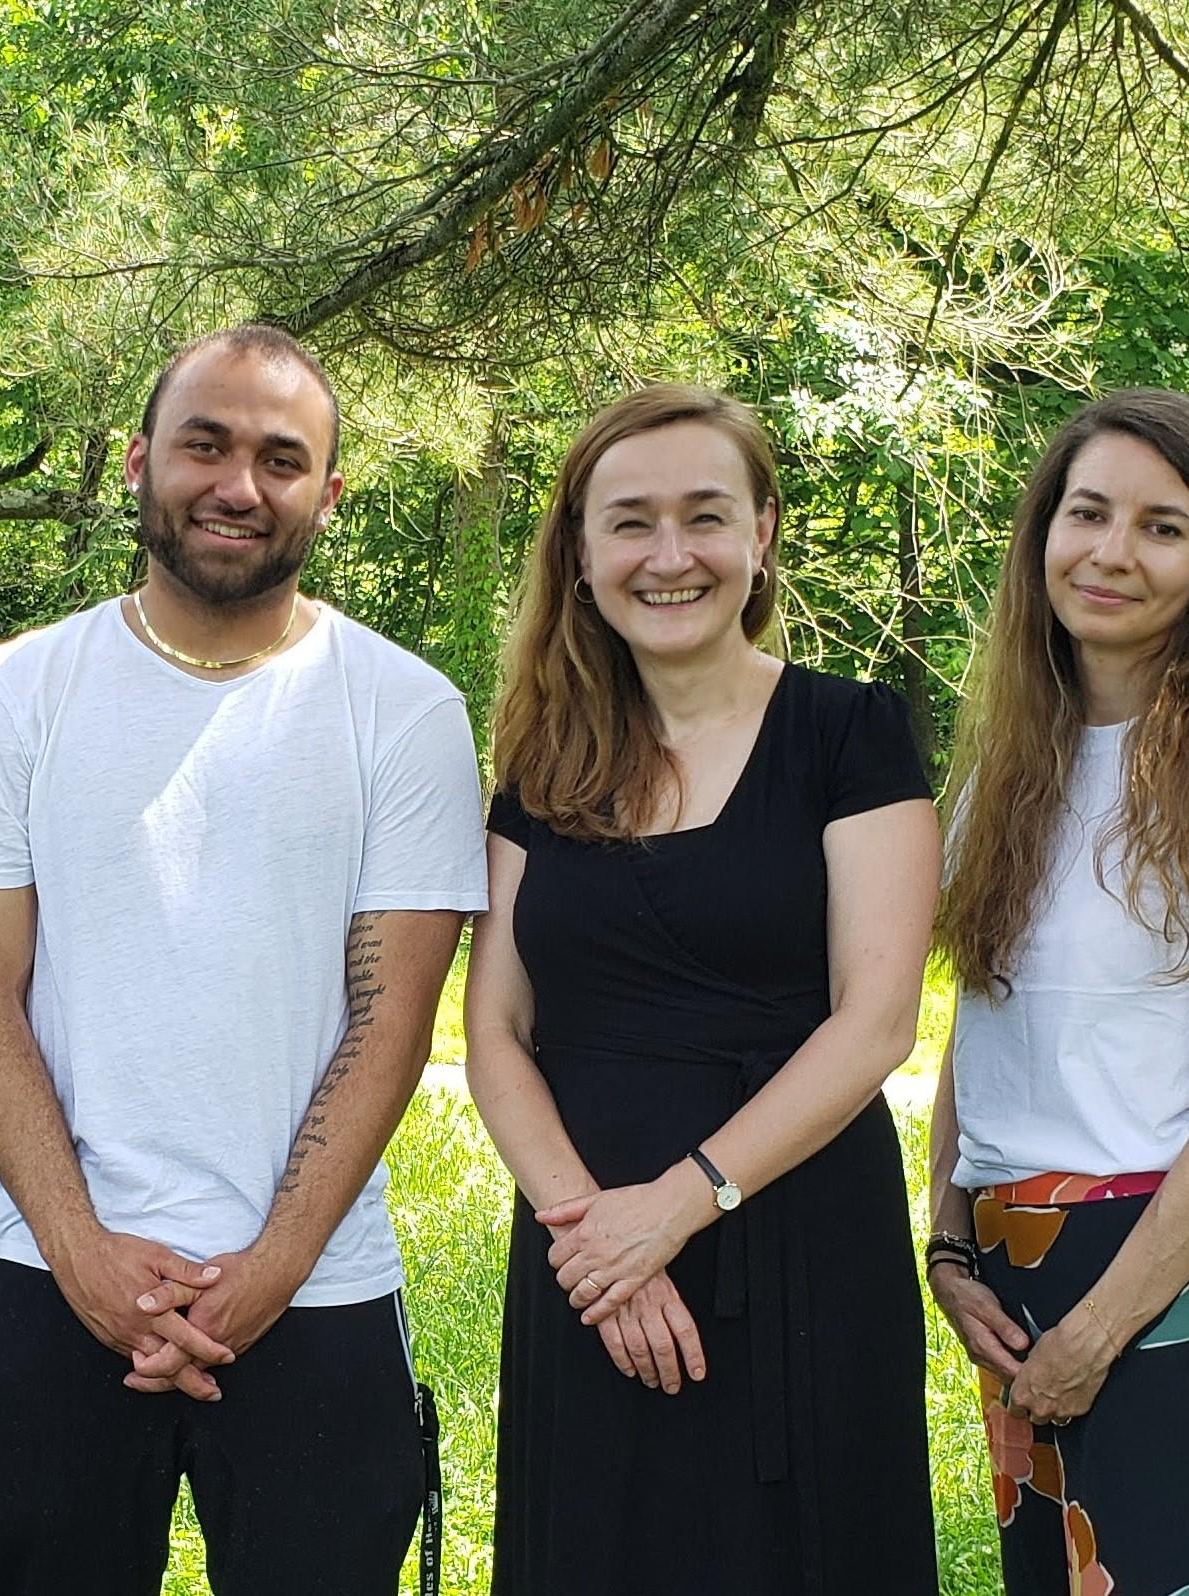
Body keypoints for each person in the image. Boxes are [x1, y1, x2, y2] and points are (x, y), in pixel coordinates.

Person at [0, 322, 485, 1596]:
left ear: (328, 494)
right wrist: (81, 1251)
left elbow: (388, 1020)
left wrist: (267, 1270)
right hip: (47, 1280)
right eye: (205, 444)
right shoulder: (15, 692)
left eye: (282, 458)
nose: (239, 484)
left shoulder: (403, 709)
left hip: (317, 1288)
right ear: (138, 462)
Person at [465, 382, 943, 1595]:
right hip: (583, 1261)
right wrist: (593, 1238)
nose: (668, 555)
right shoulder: (541, 755)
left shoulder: (849, 732)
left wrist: (676, 1205)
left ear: (763, 532)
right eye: (629, 521)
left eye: (704, 516)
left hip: (796, 1248)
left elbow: (877, 1017)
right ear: (579, 552)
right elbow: (496, 1030)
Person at [921, 391, 1189, 1596]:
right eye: (1086, 512)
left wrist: (1099, 1328)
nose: (1109, 551)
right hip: (1009, 1268)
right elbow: (981, 1026)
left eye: (1161, 526)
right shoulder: (1003, 766)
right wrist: (945, 1240)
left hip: (1159, 1275)